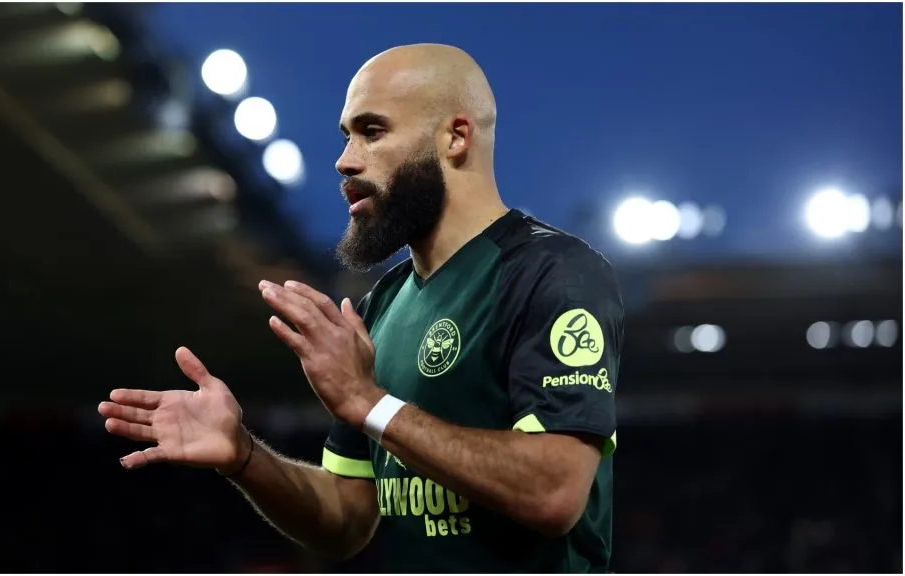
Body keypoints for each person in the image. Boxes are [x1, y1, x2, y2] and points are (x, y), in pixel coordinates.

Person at [99, 43, 623, 573]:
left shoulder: (553, 272)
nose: (346, 160)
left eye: (372, 132)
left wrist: (369, 402)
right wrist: (245, 457)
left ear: (455, 137)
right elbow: (346, 520)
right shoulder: (382, 307)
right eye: (347, 135)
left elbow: (553, 493)